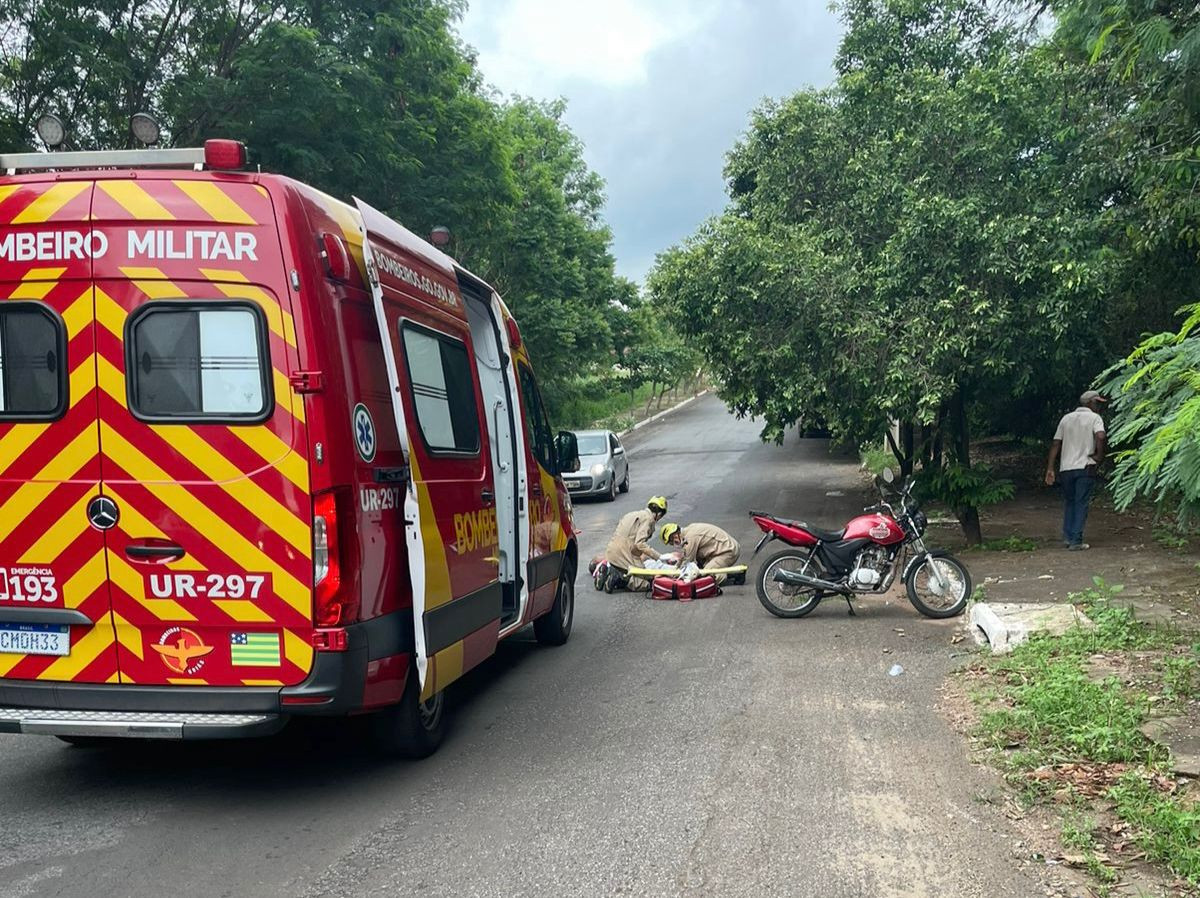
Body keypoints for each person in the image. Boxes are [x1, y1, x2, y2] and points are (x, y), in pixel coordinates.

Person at [1045, 390, 1107, 551]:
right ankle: (1076, 540)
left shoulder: (1066, 419)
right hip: (1085, 466)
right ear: (1090, 403)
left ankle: (1068, 536)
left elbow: (1056, 443)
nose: (1099, 406)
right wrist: (1099, 456)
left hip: (1066, 468)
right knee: (1081, 503)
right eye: (1097, 403)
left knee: (1070, 502)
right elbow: (1100, 436)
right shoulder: (1095, 418)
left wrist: (1050, 468)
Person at [602, 496, 668, 590]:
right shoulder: (648, 519)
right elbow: (640, 544)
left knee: (632, 570)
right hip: (624, 553)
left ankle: (608, 574)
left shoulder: (631, 514)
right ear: (659, 513)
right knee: (644, 582)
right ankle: (620, 579)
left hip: (611, 552)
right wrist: (659, 557)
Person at [660, 522, 742, 583]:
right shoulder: (688, 531)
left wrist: (673, 574)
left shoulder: (690, 538)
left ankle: (735, 574)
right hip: (720, 550)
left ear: (675, 535)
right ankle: (718, 569)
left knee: (705, 577)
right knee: (699, 570)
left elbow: (686, 562)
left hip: (728, 551)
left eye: (672, 541)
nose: (673, 544)